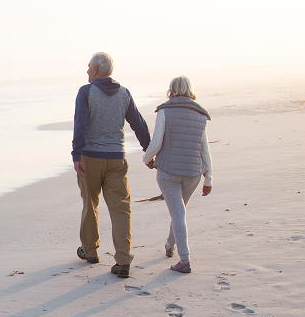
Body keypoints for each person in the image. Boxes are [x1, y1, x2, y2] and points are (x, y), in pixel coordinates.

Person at [72, 52, 151, 278]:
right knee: (120, 209)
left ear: (96, 69)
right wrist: (149, 151)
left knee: (90, 204)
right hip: (117, 157)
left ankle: (90, 251)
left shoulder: (86, 92)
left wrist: (76, 155)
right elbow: (139, 124)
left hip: (90, 157)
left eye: (88, 67)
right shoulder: (124, 93)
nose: (86, 71)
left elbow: (80, 125)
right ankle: (123, 261)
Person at [142, 75, 213, 274]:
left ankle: (184, 260)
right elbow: (204, 150)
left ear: (171, 89)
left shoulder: (165, 111)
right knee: (179, 211)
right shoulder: (200, 114)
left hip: (168, 173)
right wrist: (209, 178)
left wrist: (147, 159)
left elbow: (156, 143)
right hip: (193, 173)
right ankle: (169, 245)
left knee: (178, 212)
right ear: (190, 90)